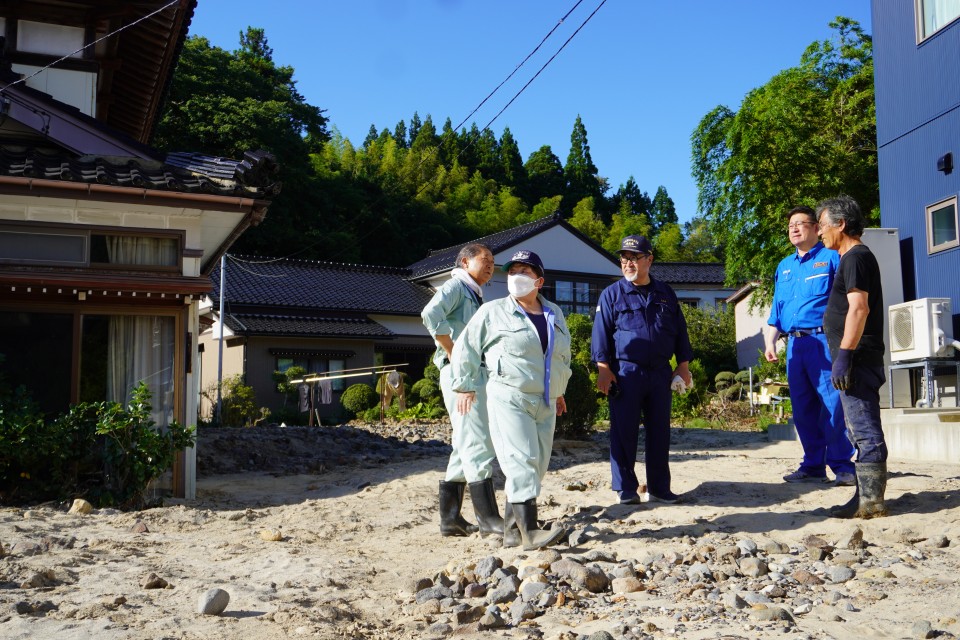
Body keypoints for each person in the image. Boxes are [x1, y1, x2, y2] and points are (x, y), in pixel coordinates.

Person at [451, 249, 572, 551]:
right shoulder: (492, 312)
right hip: (509, 395)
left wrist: (559, 391)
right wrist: (464, 386)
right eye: (512, 271)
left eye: (524, 271)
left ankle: (511, 531)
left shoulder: (554, 313)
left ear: (539, 280)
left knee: (538, 464)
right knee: (521, 460)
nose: (516, 276)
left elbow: (562, 356)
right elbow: (466, 348)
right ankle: (529, 532)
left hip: (545, 399)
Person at [591, 235, 693, 505]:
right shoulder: (612, 294)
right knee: (623, 432)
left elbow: (680, 331)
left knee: (660, 432)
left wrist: (682, 365)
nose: (628, 263)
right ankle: (625, 488)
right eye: (624, 258)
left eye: (635, 257)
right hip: (626, 373)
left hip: (660, 373)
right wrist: (603, 368)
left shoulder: (666, 293)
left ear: (649, 259)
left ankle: (659, 488)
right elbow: (601, 333)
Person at [765, 206, 856, 486]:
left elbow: (847, 299)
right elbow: (776, 312)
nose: (794, 228)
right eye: (790, 224)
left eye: (800, 223)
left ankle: (842, 465)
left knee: (832, 406)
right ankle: (813, 465)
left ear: (817, 228)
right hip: (794, 344)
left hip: (823, 340)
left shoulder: (832, 257)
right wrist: (770, 342)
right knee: (803, 409)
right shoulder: (784, 266)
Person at [421, 243, 503, 537]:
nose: (491, 265)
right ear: (465, 261)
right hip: (459, 373)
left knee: (464, 443)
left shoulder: (472, 292)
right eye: (485, 259)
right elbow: (430, 314)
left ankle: (450, 519)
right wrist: (453, 350)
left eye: (493, 261)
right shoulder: (457, 285)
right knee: (478, 441)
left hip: (469, 372)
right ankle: (489, 518)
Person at [816, 195, 888, 519]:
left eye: (822, 225)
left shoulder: (856, 257)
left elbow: (859, 308)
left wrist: (844, 355)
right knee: (856, 429)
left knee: (864, 430)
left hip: (857, 359)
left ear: (840, 224)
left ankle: (871, 504)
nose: (819, 233)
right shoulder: (850, 259)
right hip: (853, 358)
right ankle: (863, 496)